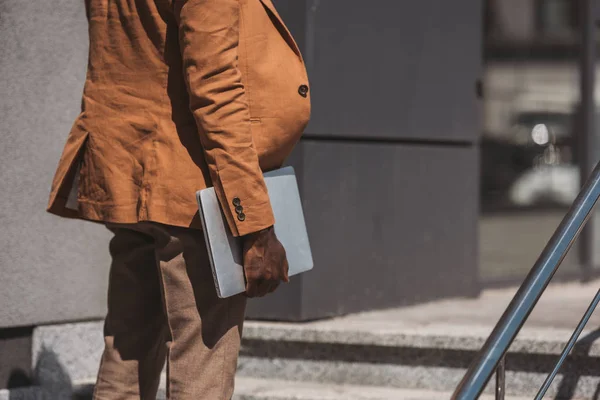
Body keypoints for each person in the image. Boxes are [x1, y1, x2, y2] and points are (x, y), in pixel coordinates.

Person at [46, 0, 311, 398]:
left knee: (128, 348)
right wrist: (255, 225)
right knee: (202, 360)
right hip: (192, 193)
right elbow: (217, 91)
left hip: (129, 175)